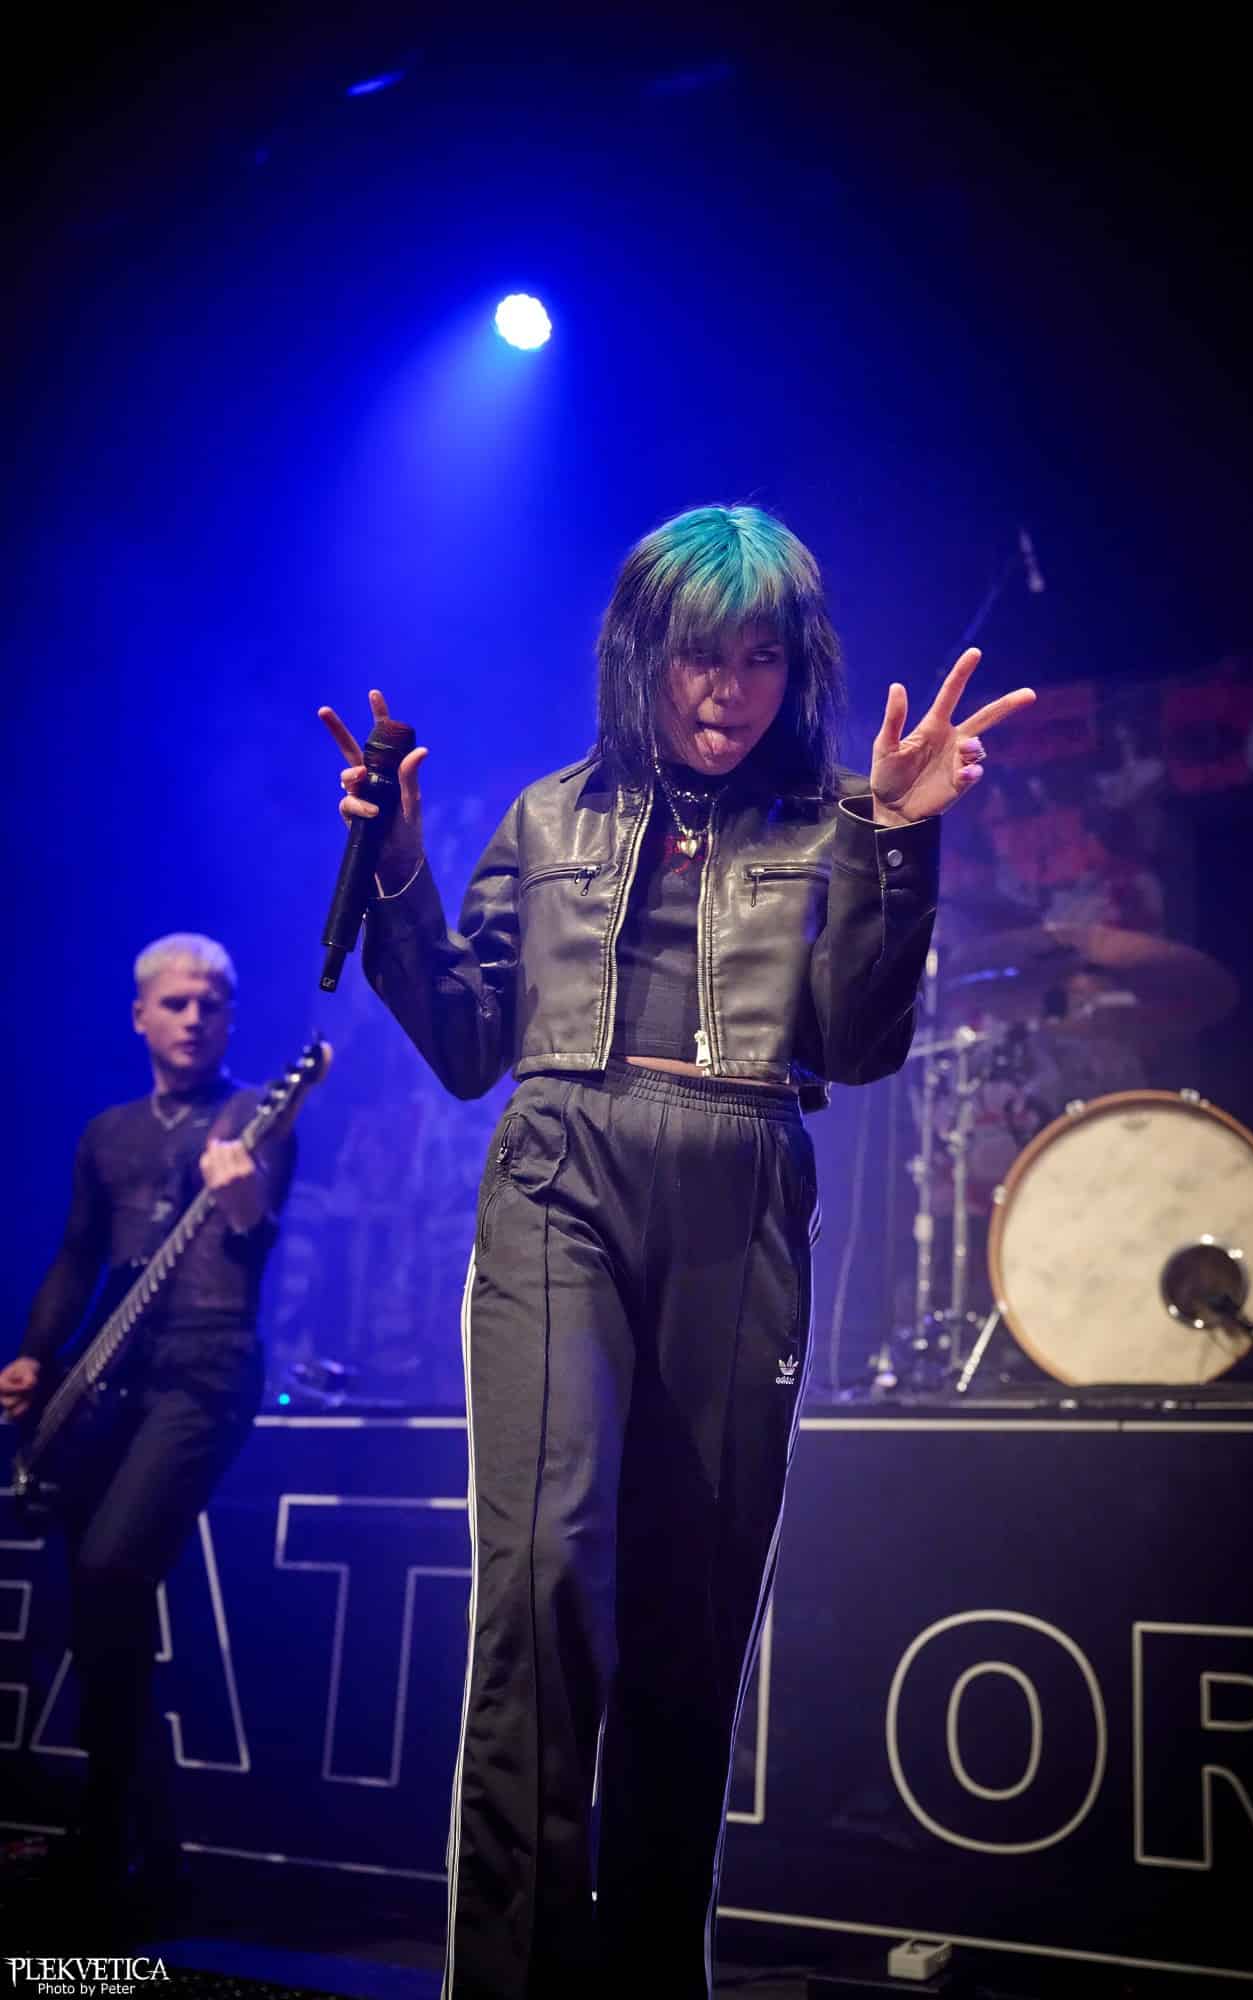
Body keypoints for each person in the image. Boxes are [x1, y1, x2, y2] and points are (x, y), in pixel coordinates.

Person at [318, 504, 1034, 1999]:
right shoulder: (544, 819)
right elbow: (465, 1042)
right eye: (701, 656)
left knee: (690, 1621)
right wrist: (395, 871)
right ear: (640, 652)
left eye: (761, 659)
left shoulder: (836, 820)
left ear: (796, 669)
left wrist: (900, 841)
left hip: (741, 1180)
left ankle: (651, 1979)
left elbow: (862, 1042)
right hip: (562, 1171)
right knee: (539, 1574)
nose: (728, 690)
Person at [0, 934, 294, 1924]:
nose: (194, 1017)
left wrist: (245, 1204)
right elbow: (76, 1256)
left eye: (211, 1003)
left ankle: (113, 1837)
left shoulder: (257, 1116)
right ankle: (135, 1848)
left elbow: (256, 1242)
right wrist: (34, 1356)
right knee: (95, 1613)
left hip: (206, 1373)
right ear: (139, 1015)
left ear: (231, 1016)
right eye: (175, 1002)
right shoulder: (107, 1134)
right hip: (105, 1377)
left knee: (111, 1570)